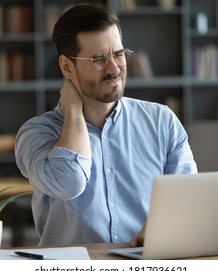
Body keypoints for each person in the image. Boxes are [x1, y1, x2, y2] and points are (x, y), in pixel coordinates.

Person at [15, 4, 197, 247]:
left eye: (119, 54)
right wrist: (73, 111)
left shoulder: (161, 121)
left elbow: (188, 198)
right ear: (67, 67)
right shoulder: (36, 134)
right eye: (99, 59)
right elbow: (69, 182)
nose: (114, 68)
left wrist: (163, 227)